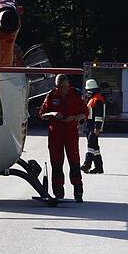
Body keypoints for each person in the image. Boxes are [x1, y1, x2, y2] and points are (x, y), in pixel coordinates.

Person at [38, 74, 89, 202]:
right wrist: (53, 113)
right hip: (55, 135)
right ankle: (58, 192)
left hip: (71, 134)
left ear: (68, 85)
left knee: (74, 163)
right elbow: (42, 114)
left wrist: (75, 117)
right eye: (60, 87)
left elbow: (85, 112)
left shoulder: (75, 95)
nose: (63, 90)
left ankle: (78, 192)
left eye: (65, 87)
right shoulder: (51, 95)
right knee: (56, 164)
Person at [80, 79, 106, 174]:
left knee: (91, 145)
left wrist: (97, 128)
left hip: (94, 126)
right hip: (90, 126)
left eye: (88, 90)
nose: (87, 92)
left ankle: (87, 165)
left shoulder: (97, 99)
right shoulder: (92, 99)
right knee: (95, 147)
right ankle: (99, 167)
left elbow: (99, 115)